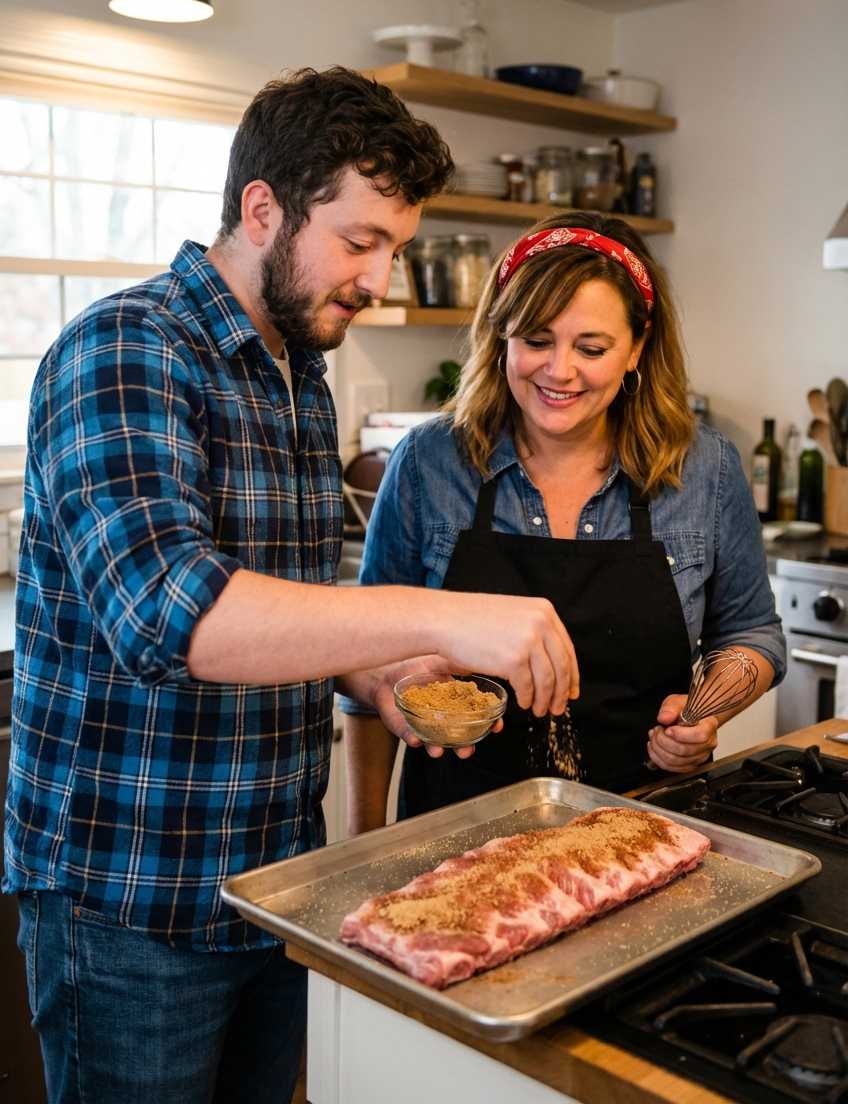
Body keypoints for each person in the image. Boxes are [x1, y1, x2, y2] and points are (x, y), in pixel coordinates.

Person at [4, 68, 579, 1104]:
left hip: (277, 881)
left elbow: (297, 617)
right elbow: (174, 614)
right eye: (360, 241)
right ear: (262, 208)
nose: (379, 276)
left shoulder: (299, 380)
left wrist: (384, 677)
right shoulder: (125, 349)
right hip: (129, 902)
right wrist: (449, 614)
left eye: (394, 246)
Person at [341, 210, 786, 830]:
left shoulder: (704, 469)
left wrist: (703, 715)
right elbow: (369, 660)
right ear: (502, 339)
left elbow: (753, 634)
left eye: (592, 347)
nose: (560, 370)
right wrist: (363, 847)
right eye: (536, 340)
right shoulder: (428, 463)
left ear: (637, 346)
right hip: (452, 835)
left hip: (644, 826)